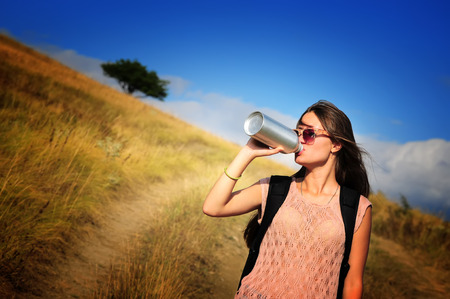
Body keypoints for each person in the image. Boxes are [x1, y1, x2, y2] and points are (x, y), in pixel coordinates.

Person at [203, 100, 372, 298]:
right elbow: (213, 207)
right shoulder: (274, 189)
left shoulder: (357, 207)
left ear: (335, 144)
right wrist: (248, 152)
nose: (300, 139)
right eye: (296, 133)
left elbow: (353, 283)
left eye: (309, 133)